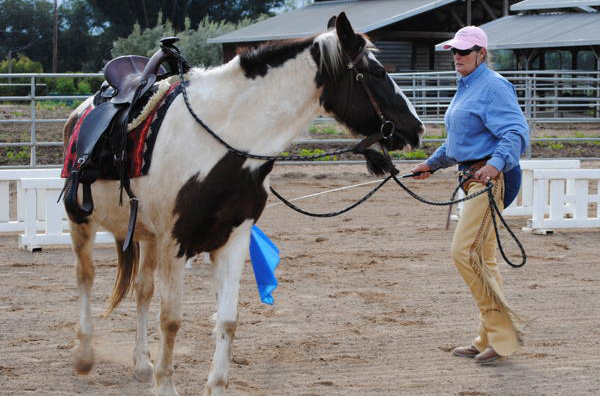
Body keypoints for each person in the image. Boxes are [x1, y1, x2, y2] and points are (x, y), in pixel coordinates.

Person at [411, 26, 529, 364]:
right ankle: (488, 337)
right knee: (483, 258)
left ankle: (503, 335)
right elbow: (459, 141)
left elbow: (515, 132)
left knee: (464, 253)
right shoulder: (467, 87)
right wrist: (432, 164)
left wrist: (494, 165)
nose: (457, 57)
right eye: (454, 51)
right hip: (472, 177)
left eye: (464, 51)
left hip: (491, 180)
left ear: (481, 53)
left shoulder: (493, 86)